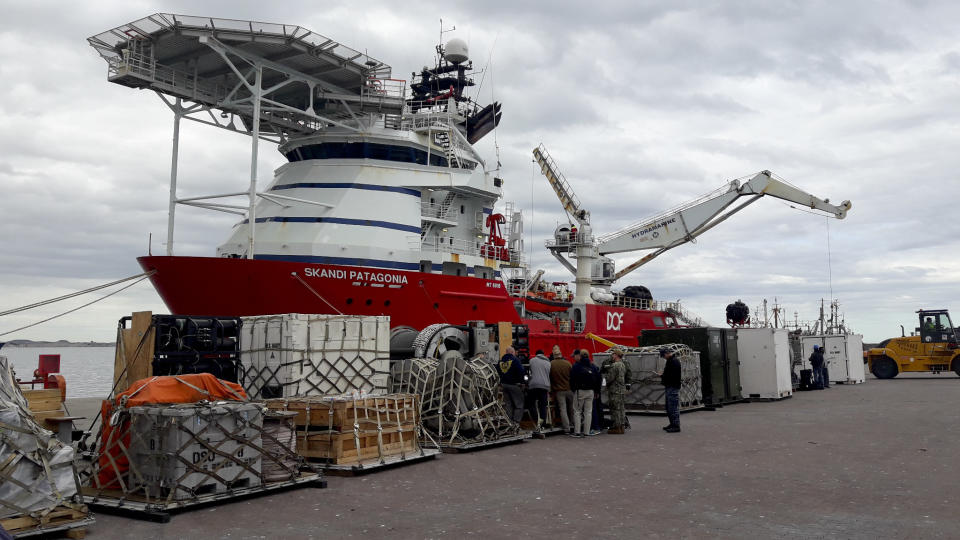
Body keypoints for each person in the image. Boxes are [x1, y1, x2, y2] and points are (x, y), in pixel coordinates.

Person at [570, 351, 597, 437]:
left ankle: (577, 432)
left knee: (577, 411)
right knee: (588, 412)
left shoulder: (576, 366)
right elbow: (597, 378)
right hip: (591, 391)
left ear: (580, 356)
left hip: (580, 391)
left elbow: (572, 379)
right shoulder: (592, 366)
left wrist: (573, 389)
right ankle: (586, 431)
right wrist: (596, 391)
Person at [550, 347, 575, 434]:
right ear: (561, 355)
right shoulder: (567, 363)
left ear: (554, 355)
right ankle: (574, 425)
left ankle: (566, 428)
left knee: (563, 409)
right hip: (569, 389)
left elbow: (550, 377)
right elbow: (572, 376)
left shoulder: (551, 364)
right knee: (572, 409)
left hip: (559, 391)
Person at [604, 348, 629, 434]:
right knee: (621, 408)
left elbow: (610, 378)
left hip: (615, 390)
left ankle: (616, 427)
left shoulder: (615, 365)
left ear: (616, 355)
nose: (612, 356)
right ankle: (622, 427)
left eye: (613, 354)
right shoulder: (622, 364)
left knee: (615, 409)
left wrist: (604, 380)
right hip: (621, 390)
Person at [498, 346, 526, 423]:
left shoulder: (500, 361)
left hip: (504, 385)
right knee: (519, 404)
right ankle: (516, 422)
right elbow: (521, 371)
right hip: (514, 385)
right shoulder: (515, 360)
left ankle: (509, 422)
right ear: (512, 352)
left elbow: (497, 373)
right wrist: (522, 382)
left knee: (508, 404)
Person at [527, 349, 552, 431]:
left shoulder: (532, 360)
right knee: (543, 406)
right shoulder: (548, 363)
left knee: (531, 403)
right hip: (545, 386)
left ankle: (536, 420)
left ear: (536, 354)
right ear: (543, 354)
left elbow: (529, 372)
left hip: (534, 385)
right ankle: (542, 423)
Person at [658, 347, 682, 433]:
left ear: (666, 354)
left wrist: (662, 376)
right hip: (670, 386)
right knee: (669, 407)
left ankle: (676, 426)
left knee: (673, 407)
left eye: (663, 356)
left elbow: (671, 376)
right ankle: (672, 424)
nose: (663, 358)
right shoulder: (671, 361)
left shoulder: (674, 362)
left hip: (672, 386)